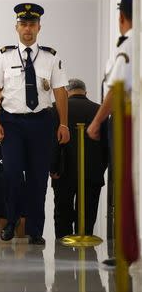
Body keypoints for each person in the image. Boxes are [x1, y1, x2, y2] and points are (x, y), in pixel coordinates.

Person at [0, 3, 70, 245]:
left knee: (38, 177)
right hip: (11, 123)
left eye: (32, 24)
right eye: (23, 24)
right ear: (17, 27)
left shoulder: (51, 57)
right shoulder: (3, 56)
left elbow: (60, 91)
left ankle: (35, 230)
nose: (28, 29)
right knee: (11, 173)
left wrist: (63, 124)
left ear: (39, 27)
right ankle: (11, 222)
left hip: (42, 123)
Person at [50, 79, 108, 239]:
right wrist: (100, 169)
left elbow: (52, 143)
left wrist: (53, 168)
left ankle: (63, 256)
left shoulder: (56, 109)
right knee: (87, 217)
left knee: (62, 215)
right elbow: (107, 146)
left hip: (63, 172)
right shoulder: (99, 111)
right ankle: (87, 253)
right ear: (85, 92)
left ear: (67, 92)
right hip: (92, 173)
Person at [87, 0, 132, 140]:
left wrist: (97, 121)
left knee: (120, 163)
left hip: (124, 119)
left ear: (121, 17)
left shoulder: (128, 46)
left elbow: (116, 90)